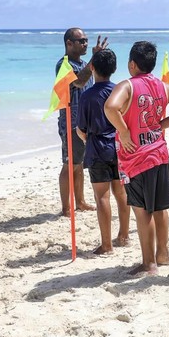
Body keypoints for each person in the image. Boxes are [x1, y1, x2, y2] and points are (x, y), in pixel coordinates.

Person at [104, 41, 169, 276]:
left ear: (132, 64)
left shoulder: (127, 86)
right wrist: (162, 124)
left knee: (142, 211)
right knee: (161, 207)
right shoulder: (165, 87)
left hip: (136, 158)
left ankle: (149, 263)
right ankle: (163, 253)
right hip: (159, 153)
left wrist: (123, 131)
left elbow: (110, 107)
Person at [76, 49, 130, 255]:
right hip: (119, 146)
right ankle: (124, 236)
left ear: (92, 68)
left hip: (98, 148)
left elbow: (81, 128)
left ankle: (107, 245)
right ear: (114, 69)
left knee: (102, 197)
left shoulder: (87, 96)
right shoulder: (120, 91)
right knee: (121, 192)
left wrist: (83, 137)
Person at [56, 28, 108, 217]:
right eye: (81, 41)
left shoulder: (85, 64)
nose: (86, 43)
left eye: (86, 40)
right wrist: (95, 59)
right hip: (70, 122)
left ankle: (80, 201)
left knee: (80, 164)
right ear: (69, 43)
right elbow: (78, 82)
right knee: (69, 164)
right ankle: (66, 207)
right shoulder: (63, 65)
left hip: (85, 122)